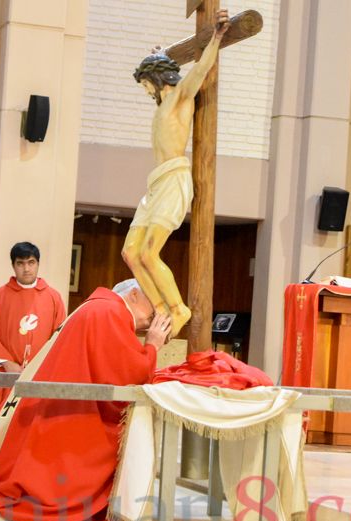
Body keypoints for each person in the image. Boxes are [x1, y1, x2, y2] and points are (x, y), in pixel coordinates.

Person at [0, 279, 172, 521]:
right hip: (74, 415)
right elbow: (129, 376)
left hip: (64, 406)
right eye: (152, 306)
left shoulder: (99, 307)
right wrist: (152, 345)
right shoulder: (110, 312)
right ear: (134, 294)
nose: (154, 316)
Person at [122, 8, 231, 338]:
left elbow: (200, 69)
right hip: (156, 182)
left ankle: (178, 308)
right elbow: (163, 68)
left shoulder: (181, 97)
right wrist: (159, 55)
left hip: (173, 177)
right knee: (131, 253)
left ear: (157, 80)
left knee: (149, 252)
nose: (146, 91)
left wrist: (216, 37)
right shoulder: (160, 107)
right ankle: (160, 308)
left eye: (146, 84)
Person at [0, 241, 66, 410]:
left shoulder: (53, 298)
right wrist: (7, 362)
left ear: (38, 264)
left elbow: (60, 337)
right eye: (20, 263)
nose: (26, 269)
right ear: (13, 265)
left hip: (39, 374)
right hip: (7, 374)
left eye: (31, 262)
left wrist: (39, 365)